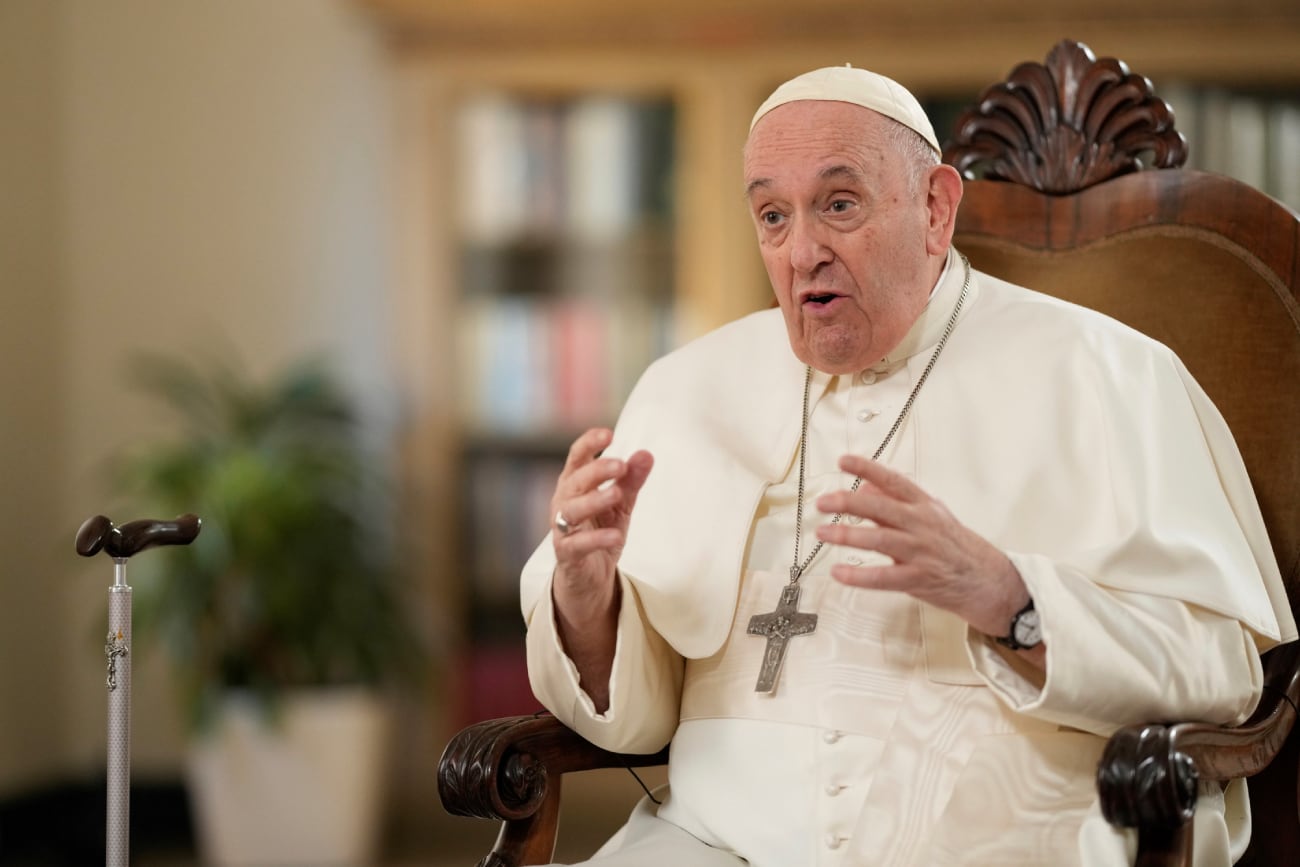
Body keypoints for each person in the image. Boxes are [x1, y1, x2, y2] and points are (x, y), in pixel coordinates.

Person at [520, 64, 1297, 866]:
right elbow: (638, 714)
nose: (803, 252)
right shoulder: (686, 388)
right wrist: (589, 603)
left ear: (935, 207)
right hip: (710, 839)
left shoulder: (1108, 371)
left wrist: (1009, 596)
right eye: (773, 216)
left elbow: (1222, 674)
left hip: (1007, 836)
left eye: (839, 204)